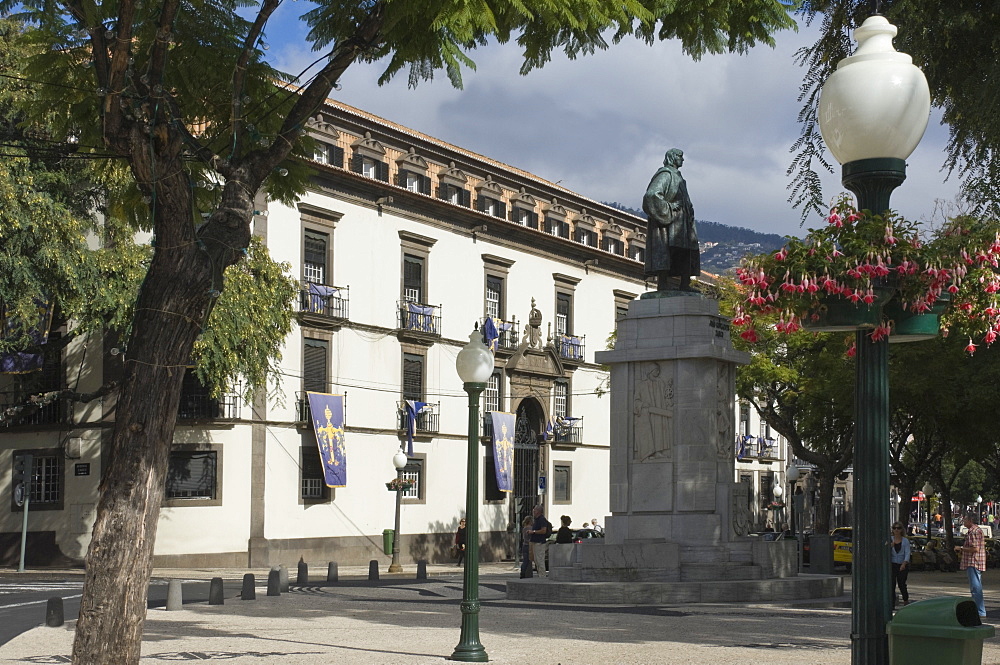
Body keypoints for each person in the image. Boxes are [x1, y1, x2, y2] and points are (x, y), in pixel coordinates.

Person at [642, 148, 699, 291]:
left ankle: (685, 284)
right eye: (680, 156)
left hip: (683, 223)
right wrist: (669, 208)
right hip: (671, 222)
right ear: (673, 157)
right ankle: (663, 285)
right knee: (667, 251)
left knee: (686, 251)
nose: (683, 159)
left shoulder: (678, 177)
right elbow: (651, 195)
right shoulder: (666, 175)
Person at [956, 513, 987, 618]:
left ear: (970, 521)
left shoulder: (974, 532)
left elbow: (975, 549)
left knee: (975, 587)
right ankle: (979, 610)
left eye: (965, 520)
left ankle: (980, 611)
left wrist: (961, 548)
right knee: (975, 587)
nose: (963, 522)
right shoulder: (973, 531)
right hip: (972, 562)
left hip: (974, 562)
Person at [890, 522, 911, 607]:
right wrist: (890, 547)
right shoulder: (890, 539)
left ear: (902, 530)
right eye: (894, 528)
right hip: (892, 564)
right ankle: (892, 604)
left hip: (902, 565)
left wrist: (904, 563)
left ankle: (905, 601)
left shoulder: (905, 541)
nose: (896, 530)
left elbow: (907, 552)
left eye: (898, 528)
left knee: (901, 584)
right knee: (891, 584)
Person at [529, 505, 553, 578]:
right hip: (536, 542)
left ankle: (542, 575)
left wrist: (533, 532)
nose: (533, 512)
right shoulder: (537, 520)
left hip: (539, 542)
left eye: (535, 510)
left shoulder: (542, 519)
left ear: (538, 511)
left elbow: (543, 530)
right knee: (537, 560)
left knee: (540, 560)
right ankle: (540, 574)